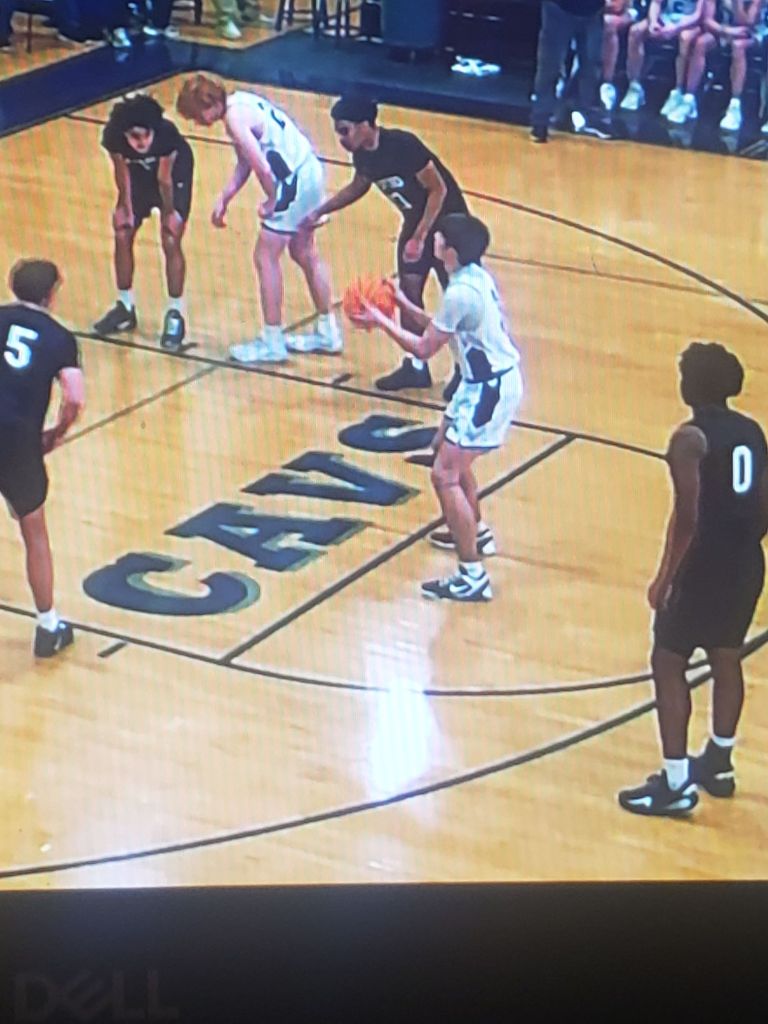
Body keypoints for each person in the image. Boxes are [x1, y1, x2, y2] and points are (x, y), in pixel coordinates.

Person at [619, 342, 767, 817]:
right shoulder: (751, 430)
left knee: (668, 662)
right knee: (727, 657)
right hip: (746, 562)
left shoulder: (689, 439)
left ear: (693, 386)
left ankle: (676, 782)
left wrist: (665, 578)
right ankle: (719, 762)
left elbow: (687, 518)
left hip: (702, 566)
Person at [350, 214, 522, 602]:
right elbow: (443, 326)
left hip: (489, 389)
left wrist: (380, 319)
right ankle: (475, 532)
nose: (433, 241)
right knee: (443, 451)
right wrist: (401, 303)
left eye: (438, 238)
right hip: (479, 383)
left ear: (451, 250)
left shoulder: (461, 293)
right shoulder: (472, 278)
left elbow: (424, 348)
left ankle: (472, 576)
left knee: (444, 474)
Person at [301, 95, 468, 396]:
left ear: (366, 125)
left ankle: (466, 370)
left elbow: (438, 190)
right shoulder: (363, 156)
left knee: (456, 298)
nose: (341, 139)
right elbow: (358, 186)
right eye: (338, 132)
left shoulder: (403, 145)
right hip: (415, 222)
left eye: (345, 130)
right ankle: (415, 367)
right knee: (409, 291)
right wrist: (320, 211)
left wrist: (420, 236)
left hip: (449, 225)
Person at [176, 74, 341, 364]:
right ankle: (328, 331)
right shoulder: (241, 101)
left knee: (265, 256)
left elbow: (263, 168)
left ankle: (272, 341)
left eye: (196, 115)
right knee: (304, 251)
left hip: (291, 183)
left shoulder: (234, 121)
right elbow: (246, 161)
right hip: (309, 170)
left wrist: (272, 200)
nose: (197, 123)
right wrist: (225, 197)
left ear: (208, 105)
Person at [0, 260, 85, 658]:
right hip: (20, 441)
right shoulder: (60, 337)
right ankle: (48, 627)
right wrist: (56, 433)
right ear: (51, 294)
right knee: (34, 532)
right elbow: (75, 397)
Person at [94, 95, 194, 352]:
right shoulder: (113, 136)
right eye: (134, 137)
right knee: (122, 232)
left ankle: (175, 312)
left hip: (174, 175)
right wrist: (125, 207)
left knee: (170, 238)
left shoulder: (167, 135)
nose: (141, 142)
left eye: (145, 135)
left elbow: (164, 180)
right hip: (138, 176)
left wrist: (170, 212)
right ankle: (125, 306)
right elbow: (121, 173)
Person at [530, 0, 612, 143]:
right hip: (559, 8)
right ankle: (540, 121)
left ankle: (589, 116)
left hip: (593, 10)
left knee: (592, 64)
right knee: (550, 66)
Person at [620, 0, 706, 118]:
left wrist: (676, 27)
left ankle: (678, 91)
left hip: (690, 22)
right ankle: (635, 86)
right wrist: (653, 22)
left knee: (685, 38)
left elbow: (698, 15)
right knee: (636, 31)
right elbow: (656, 3)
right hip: (666, 17)